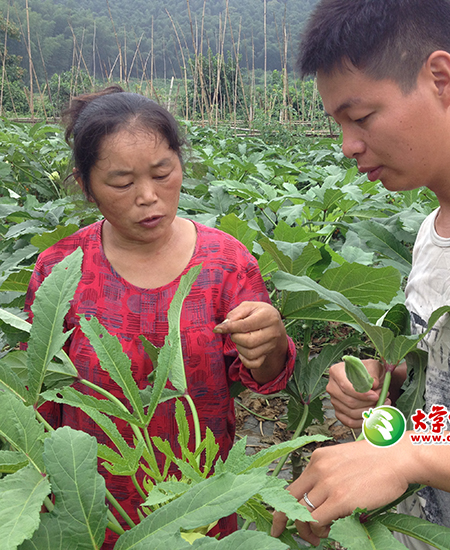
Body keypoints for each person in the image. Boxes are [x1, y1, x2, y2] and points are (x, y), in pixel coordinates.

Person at [271, 0, 450, 548]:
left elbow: (424, 450)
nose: (349, 145)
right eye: (340, 124)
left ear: (440, 78)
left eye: (361, 117)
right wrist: (389, 381)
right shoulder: (432, 232)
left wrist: (412, 454)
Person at [24, 85, 295, 547]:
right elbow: (42, 394)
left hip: (198, 499)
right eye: (122, 182)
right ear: (86, 184)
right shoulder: (61, 268)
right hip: (96, 506)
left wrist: (271, 343)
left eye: (162, 172)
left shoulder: (225, 261)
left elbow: (265, 376)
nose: (148, 197)